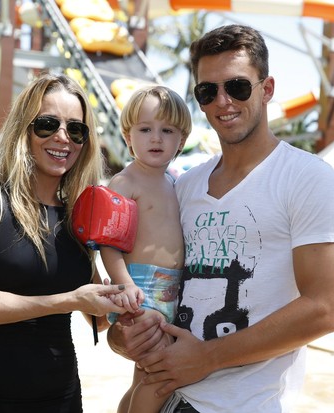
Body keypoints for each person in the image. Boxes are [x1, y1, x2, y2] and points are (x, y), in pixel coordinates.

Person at [107, 24, 334, 412]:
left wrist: (207, 358)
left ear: (266, 89)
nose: (223, 101)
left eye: (237, 86)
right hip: (169, 395)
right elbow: (148, 291)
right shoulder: (183, 186)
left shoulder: (308, 178)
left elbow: (324, 309)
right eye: (208, 91)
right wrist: (124, 336)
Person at [0, 73, 127, 413]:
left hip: (59, 398)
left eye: (76, 129)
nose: (63, 137)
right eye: (48, 124)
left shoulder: (77, 215)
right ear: (24, 128)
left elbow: (98, 317)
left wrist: (122, 296)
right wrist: (67, 300)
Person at [99, 85, 192, 413]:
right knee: (159, 377)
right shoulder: (126, 182)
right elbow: (109, 243)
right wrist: (125, 284)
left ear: (180, 141)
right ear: (127, 137)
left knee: (143, 377)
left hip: (170, 289)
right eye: (145, 129)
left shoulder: (175, 182)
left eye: (167, 130)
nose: (156, 138)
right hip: (141, 289)